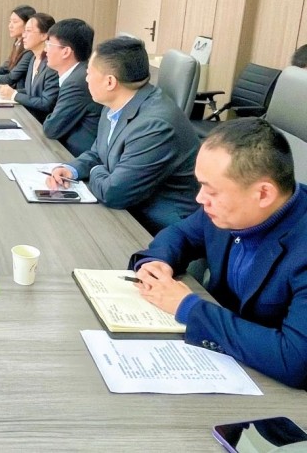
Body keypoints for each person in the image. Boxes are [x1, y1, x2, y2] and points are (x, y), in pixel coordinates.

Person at [130, 118, 307, 389]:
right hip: (221, 358)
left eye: (211, 190)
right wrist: (158, 262)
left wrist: (188, 308)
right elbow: (181, 234)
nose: (200, 198)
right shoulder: (230, 209)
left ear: (263, 194)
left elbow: (295, 360)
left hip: (274, 389)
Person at [48, 36, 200, 233]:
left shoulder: (154, 125)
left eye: (89, 73)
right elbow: (98, 153)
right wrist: (71, 169)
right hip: (130, 205)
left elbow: (114, 193)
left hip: (157, 225)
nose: (86, 79)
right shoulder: (116, 103)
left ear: (110, 82)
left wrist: (95, 171)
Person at [40, 18, 102, 156]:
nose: (45, 50)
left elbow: (51, 129)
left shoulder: (77, 82)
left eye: (49, 44)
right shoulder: (79, 73)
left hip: (76, 155)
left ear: (66, 52)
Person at [0, 12, 60, 122]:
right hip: (27, 116)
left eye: (28, 31)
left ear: (44, 35)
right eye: (24, 31)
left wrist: (14, 95)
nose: (23, 35)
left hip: (39, 123)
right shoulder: (33, 58)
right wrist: (9, 91)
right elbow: (31, 91)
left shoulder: (51, 64)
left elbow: (46, 103)